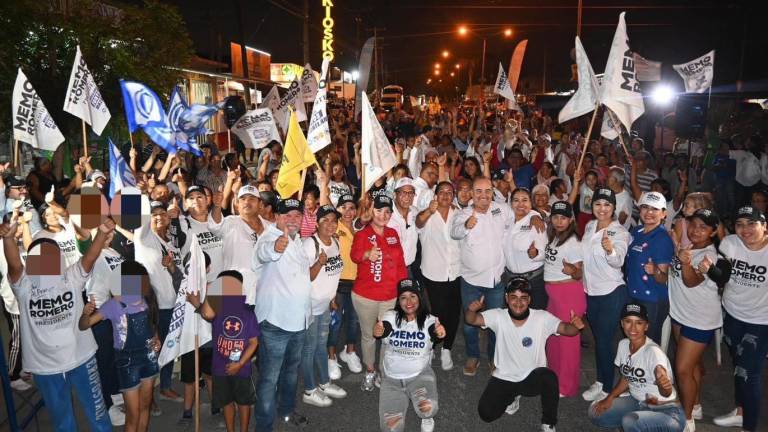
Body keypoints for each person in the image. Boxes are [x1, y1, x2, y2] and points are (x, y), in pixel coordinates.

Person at [1, 217, 116, 432]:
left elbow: (90, 257)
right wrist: (7, 238)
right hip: (46, 367)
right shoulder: (23, 285)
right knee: (63, 422)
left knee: (98, 414)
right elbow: (14, 264)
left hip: (82, 357)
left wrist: (101, 233)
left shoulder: (71, 277)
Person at [466, 278, 585, 431]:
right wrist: (471, 310)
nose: (518, 302)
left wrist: (575, 327)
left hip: (532, 378)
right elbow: (472, 320)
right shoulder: (498, 316)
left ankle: (549, 422)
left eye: (523, 298)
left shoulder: (541, 317)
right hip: (505, 376)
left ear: (529, 299)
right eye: (514, 297)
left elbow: (566, 330)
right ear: (506, 298)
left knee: (549, 377)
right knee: (486, 414)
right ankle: (512, 397)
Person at [78, 261, 161, 432]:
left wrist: (157, 339)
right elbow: (84, 325)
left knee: (145, 407)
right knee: (133, 414)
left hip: (149, 358)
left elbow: (152, 325)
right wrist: (85, 313)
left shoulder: (147, 300)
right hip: (127, 362)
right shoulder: (113, 305)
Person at [252, 198, 313, 431]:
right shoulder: (270, 238)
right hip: (276, 323)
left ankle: (286, 411)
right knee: (269, 378)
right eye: (286, 215)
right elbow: (266, 252)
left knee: (290, 373)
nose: (292, 219)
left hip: (299, 321)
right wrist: (276, 246)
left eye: (297, 215)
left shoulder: (297, 240)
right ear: (276, 217)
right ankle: (264, 426)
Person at [668, 208, 731, 431]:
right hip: (680, 315)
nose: (696, 230)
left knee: (682, 369)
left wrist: (685, 263)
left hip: (699, 319)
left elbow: (691, 282)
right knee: (692, 365)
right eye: (693, 224)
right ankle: (694, 404)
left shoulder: (709, 256)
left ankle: (686, 420)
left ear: (713, 232)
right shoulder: (689, 247)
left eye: (703, 227)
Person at [588, 302, 685, 432]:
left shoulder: (654, 352)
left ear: (646, 326)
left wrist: (664, 385)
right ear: (622, 324)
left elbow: (666, 393)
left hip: (666, 412)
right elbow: (626, 377)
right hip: (638, 402)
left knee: (630, 421)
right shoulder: (623, 345)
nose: (633, 328)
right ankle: (638, 423)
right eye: (628, 321)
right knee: (594, 411)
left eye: (639, 323)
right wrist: (609, 398)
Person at [713, 206, 768, 432]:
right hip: (732, 313)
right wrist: (708, 269)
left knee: (749, 373)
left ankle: (750, 427)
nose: (745, 230)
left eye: (751, 223)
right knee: (738, 366)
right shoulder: (730, 243)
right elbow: (722, 277)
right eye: (740, 224)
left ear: (764, 227)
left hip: (761, 321)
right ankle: (741, 411)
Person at [451, 177, 511, 376]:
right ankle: (473, 355)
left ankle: (493, 357)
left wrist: (535, 215)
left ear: (492, 192)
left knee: (495, 323)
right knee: (470, 323)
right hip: (471, 282)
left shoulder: (501, 209)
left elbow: (520, 215)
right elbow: (455, 232)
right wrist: (467, 225)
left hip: (496, 281)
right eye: (478, 191)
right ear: (472, 194)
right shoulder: (464, 213)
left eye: (487, 191)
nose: (483, 195)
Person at [187, 271, 260, 432]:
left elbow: (254, 342)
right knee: (226, 402)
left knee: (243, 401)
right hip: (220, 367)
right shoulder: (217, 309)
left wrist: (240, 364)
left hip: (241, 369)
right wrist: (211, 290)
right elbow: (206, 312)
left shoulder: (248, 313)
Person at [350, 194, 407, 391]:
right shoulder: (363, 234)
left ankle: (383, 371)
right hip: (365, 296)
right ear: (371, 212)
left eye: (387, 211)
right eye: (379, 210)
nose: (383, 215)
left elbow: (400, 264)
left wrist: (404, 291)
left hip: (390, 296)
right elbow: (354, 255)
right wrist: (367, 255)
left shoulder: (393, 233)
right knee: (368, 336)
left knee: (387, 336)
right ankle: (370, 370)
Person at [374, 278, 445, 432]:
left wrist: (438, 333)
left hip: (419, 377)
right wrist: (379, 330)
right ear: (398, 301)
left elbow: (434, 329)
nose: (408, 302)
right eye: (403, 297)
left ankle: (426, 417)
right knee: (391, 428)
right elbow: (384, 327)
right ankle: (404, 398)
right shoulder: (390, 316)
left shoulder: (429, 320)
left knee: (428, 409)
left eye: (413, 296)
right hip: (392, 381)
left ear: (420, 297)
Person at [581, 188, 631, 402]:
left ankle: (606, 386)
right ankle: (601, 381)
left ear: (613, 208)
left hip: (611, 292)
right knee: (599, 340)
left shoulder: (619, 232)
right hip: (591, 291)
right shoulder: (590, 225)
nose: (602, 209)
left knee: (603, 341)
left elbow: (618, 259)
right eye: (598, 204)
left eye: (607, 205)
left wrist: (610, 250)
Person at [133, 200, 183, 403]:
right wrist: (143, 194)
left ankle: (165, 387)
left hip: (173, 305)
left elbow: (178, 275)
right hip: (152, 308)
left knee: (169, 347)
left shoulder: (171, 243)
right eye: (154, 214)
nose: (159, 216)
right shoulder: (144, 238)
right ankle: (148, 395)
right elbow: (143, 217)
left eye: (163, 213)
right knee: (152, 351)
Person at [301, 204, 347, 407]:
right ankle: (309, 391)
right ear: (317, 223)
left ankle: (323, 383)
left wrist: (333, 297)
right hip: (309, 306)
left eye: (333, 220)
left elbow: (334, 274)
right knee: (309, 349)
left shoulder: (335, 242)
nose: (330, 224)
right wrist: (318, 263)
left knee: (321, 345)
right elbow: (303, 278)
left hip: (325, 305)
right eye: (325, 220)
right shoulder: (309, 244)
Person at [415, 181, 461, 371]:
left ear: (453, 196)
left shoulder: (458, 213)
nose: (445, 195)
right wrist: (429, 211)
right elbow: (418, 222)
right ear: (435, 195)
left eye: (449, 192)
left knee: (453, 313)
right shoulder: (427, 213)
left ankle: (447, 348)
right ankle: (432, 346)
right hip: (434, 273)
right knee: (434, 313)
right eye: (441, 192)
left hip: (456, 271)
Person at [544, 201, 585, 397]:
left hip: (568, 294)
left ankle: (566, 386)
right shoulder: (555, 237)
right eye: (556, 217)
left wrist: (573, 270)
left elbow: (579, 274)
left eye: (563, 218)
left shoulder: (574, 241)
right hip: (554, 295)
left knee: (567, 343)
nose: (559, 221)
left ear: (571, 220)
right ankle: (554, 377)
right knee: (554, 337)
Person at [625, 192, 675, 344]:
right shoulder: (636, 231)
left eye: (655, 209)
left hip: (652, 300)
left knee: (647, 345)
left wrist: (656, 271)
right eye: (645, 207)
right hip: (633, 294)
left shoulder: (662, 239)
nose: (649, 213)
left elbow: (662, 278)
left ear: (664, 214)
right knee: (633, 341)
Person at [327, 194, 363, 378]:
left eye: (351, 207)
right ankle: (331, 357)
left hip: (358, 281)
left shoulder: (360, 227)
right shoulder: (334, 227)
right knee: (335, 322)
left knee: (353, 321)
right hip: (338, 283)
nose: (348, 211)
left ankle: (349, 351)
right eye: (344, 207)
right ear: (338, 209)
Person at [503, 188, 548, 309]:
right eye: (516, 200)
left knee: (535, 318)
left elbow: (545, 252)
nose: (521, 204)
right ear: (511, 203)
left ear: (531, 203)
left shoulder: (536, 223)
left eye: (525, 200)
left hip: (533, 280)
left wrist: (536, 253)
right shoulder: (507, 221)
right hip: (510, 279)